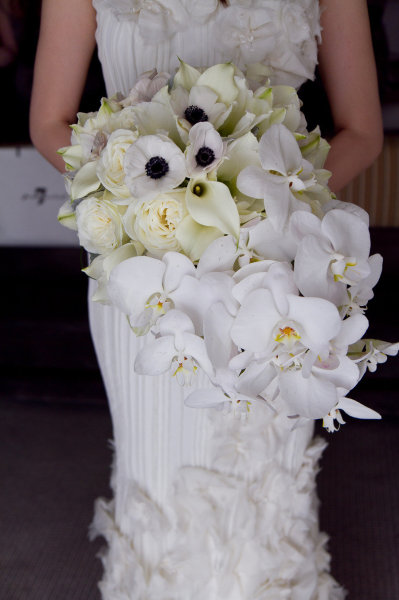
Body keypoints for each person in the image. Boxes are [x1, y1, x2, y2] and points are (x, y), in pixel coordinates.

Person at [30, 1, 383, 598]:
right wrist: (136, 195)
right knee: (156, 473)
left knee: (266, 483)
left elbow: (364, 132)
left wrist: (266, 197)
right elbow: (49, 122)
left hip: (273, 269)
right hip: (143, 266)